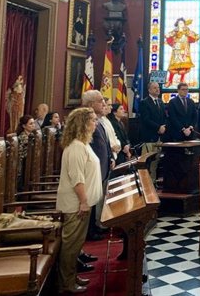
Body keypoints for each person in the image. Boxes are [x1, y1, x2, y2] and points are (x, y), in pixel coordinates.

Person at [55, 107, 102, 295]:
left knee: (76, 244)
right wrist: (83, 201)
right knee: (71, 245)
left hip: (82, 203)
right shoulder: (75, 147)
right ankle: (65, 283)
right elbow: (77, 179)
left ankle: (72, 276)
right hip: (76, 204)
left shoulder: (83, 144)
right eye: (92, 120)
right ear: (82, 123)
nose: (95, 122)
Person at [82, 90, 113, 241]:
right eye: (100, 101)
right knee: (91, 200)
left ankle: (93, 227)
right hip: (92, 168)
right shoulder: (85, 120)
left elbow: (104, 143)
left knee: (95, 199)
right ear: (90, 104)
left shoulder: (99, 120)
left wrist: (110, 156)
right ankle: (89, 231)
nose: (104, 104)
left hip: (102, 165)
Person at [138, 81, 167, 180]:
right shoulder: (144, 102)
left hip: (160, 137)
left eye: (158, 87)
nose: (157, 89)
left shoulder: (160, 102)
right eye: (155, 88)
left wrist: (163, 126)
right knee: (147, 163)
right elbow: (146, 119)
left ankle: (153, 183)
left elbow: (164, 117)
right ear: (149, 90)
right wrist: (158, 127)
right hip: (149, 137)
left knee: (156, 162)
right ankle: (146, 184)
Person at [165, 18, 200, 87]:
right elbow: (167, 35)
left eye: (182, 23)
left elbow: (196, 36)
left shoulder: (187, 30)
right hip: (177, 51)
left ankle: (182, 81)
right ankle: (170, 81)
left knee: (184, 66)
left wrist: (189, 33)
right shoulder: (175, 31)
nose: (181, 24)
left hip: (185, 50)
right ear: (177, 24)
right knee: (173, 66)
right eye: (180, 23)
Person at [17, 115, 36, 190]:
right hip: (23, 163)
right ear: (24, 126)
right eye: (31, 124)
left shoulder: (32, 135)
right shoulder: (23, 137)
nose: (33, 125)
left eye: (33, 123)